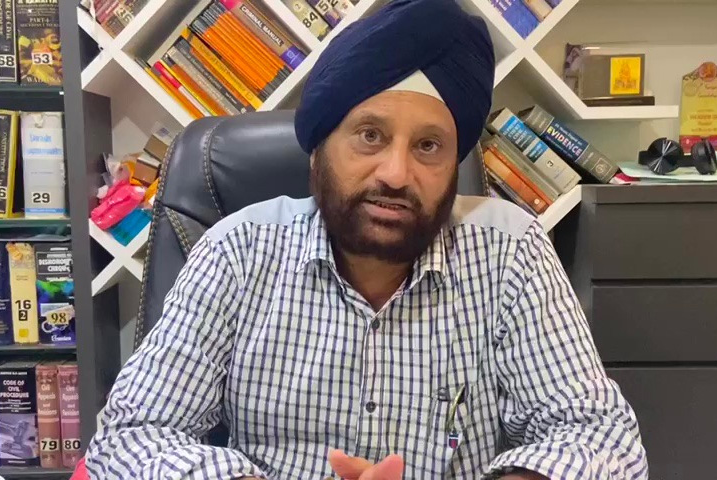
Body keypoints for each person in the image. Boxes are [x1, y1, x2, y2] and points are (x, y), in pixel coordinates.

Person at [86, 0, 649, 478]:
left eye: (428, 146)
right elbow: (133, 434)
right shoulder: (238, 251)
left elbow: (601, 436)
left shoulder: (509, 253)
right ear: (318, 152)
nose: (397, 174)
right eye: (370, 136)